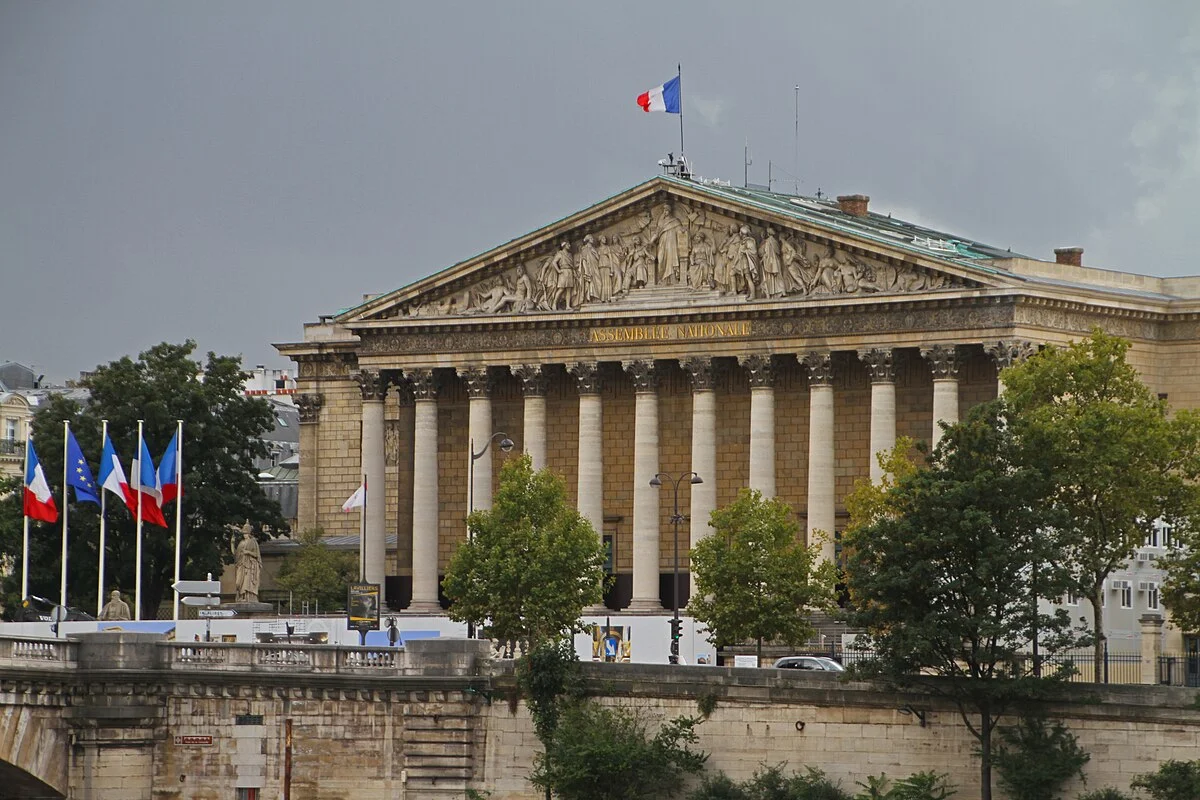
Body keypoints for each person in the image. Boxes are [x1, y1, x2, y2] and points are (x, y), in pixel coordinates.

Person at [233, 531, 262, 603]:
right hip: (241, 564)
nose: (244, 535)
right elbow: (236, 554)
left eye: (246, 533)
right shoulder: (241, 543)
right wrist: (232, 544)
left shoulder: (253, 542)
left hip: (249, 565)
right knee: (238, 582)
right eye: (244, 533)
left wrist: (248, 552)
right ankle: (240, 596)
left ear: (249, 534)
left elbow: (256, 554)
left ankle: (246, 597)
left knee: (247, 582)